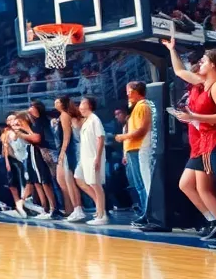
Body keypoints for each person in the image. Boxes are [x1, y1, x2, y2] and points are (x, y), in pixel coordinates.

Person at [165, 39, 216, 245]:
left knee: (206, 189)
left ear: (211, 66)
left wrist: (194, 117)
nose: (199, 64)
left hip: (212, 142)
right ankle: (215, 222)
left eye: (202, 61)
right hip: (204, 142)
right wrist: (172, 50)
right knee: (191, 186)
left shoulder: (215, 85)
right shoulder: (201, 84)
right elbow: (180, 71)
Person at [116, 81, 153, 220]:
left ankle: (148, 213)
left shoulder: (142, 106)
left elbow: (141, 130)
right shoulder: (137, 107)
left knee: (142, 183)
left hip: (139, 148)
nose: (127, 94)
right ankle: (145, 211)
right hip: (133, 149)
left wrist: (123, 137)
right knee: (138, 184)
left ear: (136, 91)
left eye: (129, 91)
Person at [74, 97, 109, 225]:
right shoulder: (87, 120)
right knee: (78, 178)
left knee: (96, 185)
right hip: (84, 158)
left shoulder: (95, 119)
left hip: (93, 157)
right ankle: (98, 205)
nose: (80, 105)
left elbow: (100, 138)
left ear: (89, 105)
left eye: (83, 103)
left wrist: (98, 158)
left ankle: (102, 215)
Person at [54, 95, 82, 218]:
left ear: (62, 104)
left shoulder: (65, 115)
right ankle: (69, 208)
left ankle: (77, 208)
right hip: (62, 149)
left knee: (69, 180)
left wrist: (62, 152)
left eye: (57, 102)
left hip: (66, 150)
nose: (55, 103)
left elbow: (67, 136)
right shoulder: (60, 116)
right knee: (61, 180)